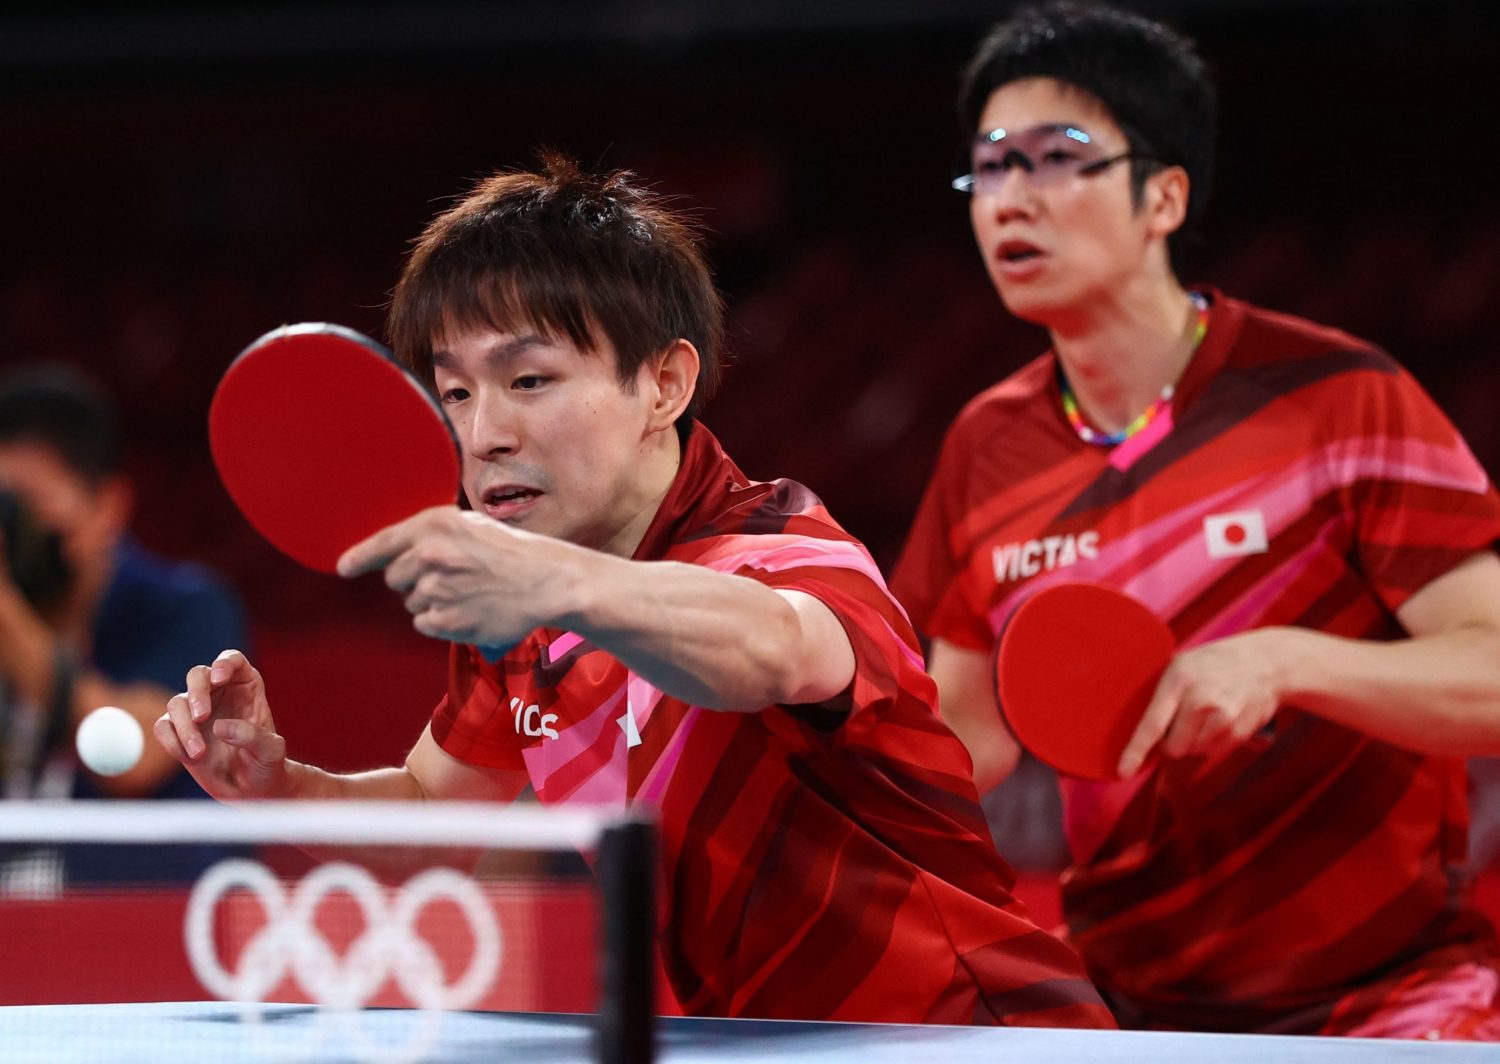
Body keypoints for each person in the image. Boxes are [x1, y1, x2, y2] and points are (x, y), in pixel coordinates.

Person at [154, 153, 1114, 1027]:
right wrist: (281, 787)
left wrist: (552, 583)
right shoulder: (527, 602)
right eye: (455, 392)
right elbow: (432, 818)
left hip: (972, 1034)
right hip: (771, 1044)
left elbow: (777, 648)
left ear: (664, 384)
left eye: (529, 379)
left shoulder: (778, 544)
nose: (483, 434)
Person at [891, 0, 1500, 1039]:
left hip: (1390, 999)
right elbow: (963, 734)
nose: (1010, 199)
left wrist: (1287, 661)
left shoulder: (1338, 396)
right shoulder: (986, 444)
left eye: (1056, 158)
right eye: (989, 167)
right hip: (1130, 1011)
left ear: (1164, 195)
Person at [0, 363, 250, 888]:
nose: (14, 532)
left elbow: (132, 758)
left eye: (29, 506)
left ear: (108, 505)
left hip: (158, 920)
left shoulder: (186, 605)